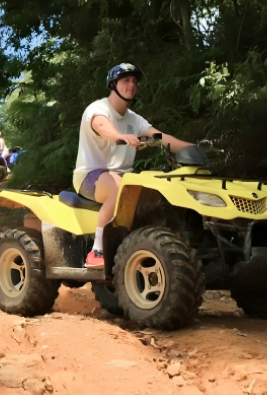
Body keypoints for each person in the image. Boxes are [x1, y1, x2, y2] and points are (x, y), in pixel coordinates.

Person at [74, 63, 193, 269]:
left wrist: (192, 148)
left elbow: (160, 137)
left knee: (156, 189)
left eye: (134, 81)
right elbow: (102, 126)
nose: (132, 85)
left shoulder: (134, 119)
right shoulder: (98, 109)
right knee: (120, 188)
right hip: (90, 175)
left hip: (125, 176)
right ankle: (97, 250)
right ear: (114, 84)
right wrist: (120, 135)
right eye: (126, 80)